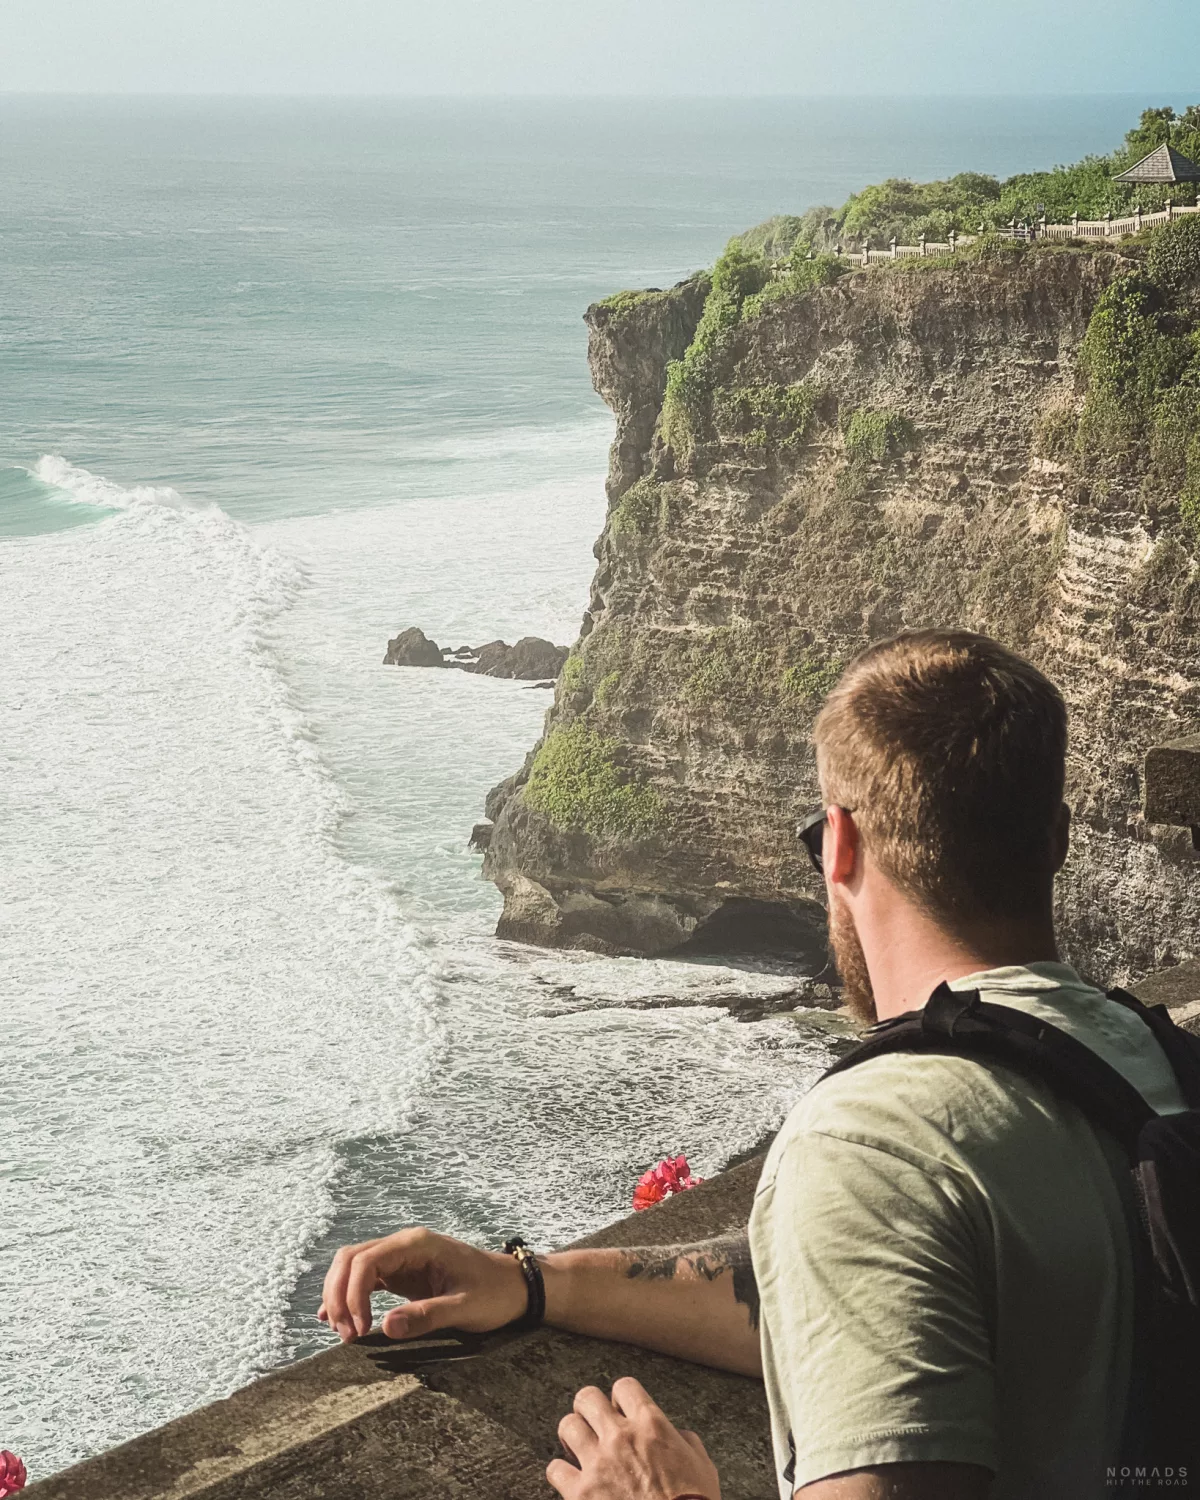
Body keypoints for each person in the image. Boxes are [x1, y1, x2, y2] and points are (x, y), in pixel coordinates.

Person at [319, 630, 1186, 1499]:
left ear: (838, 844)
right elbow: (840, 1296)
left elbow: (871, 1243)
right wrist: (532, 1282)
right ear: (1059, 841)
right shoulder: (1158, 1064)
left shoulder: (877, 1142)